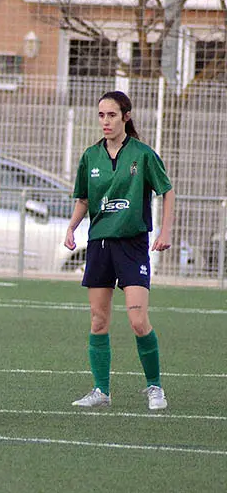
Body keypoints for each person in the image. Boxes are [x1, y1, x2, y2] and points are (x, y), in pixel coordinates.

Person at [65, 91, 174, 411]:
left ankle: (155, 386)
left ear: (126, 116)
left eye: (111, 115)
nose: (105, 121)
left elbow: (167, 192)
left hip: (132, 244)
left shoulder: (142, 154)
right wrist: (71, 227)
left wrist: (165, 231)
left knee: (138, 319)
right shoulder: (90, 156)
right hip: (99, 244)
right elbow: (83, 199)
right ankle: (101, 390)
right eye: (101, 115)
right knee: (98, 321)